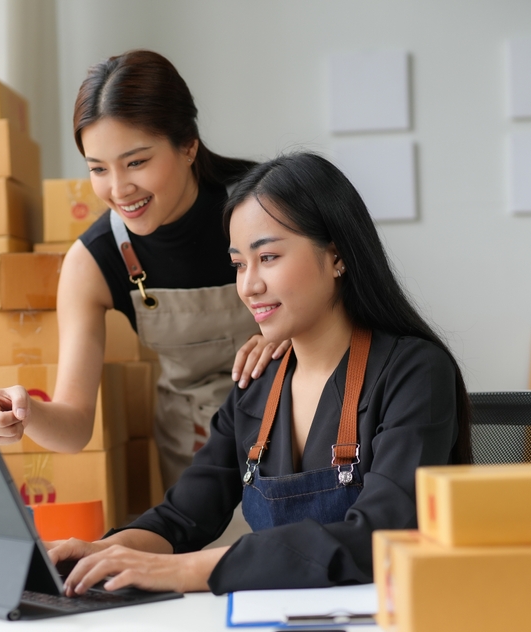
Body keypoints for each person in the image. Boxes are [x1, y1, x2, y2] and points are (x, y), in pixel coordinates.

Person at [46, 152, 472, 595]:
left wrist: (188, 571)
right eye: (238, 264)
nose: (249, 285)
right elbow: (184, 517)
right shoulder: (258, 383)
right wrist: (103, 550)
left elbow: (379, 535)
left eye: (267, 257)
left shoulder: (414, 372)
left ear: (337, 255)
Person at [0, 50, 287, 488]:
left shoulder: (267, 207)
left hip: (296, 427)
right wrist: (25, 411)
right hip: (200, 454)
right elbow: (74, 426)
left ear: (188, 144)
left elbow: (351, 316)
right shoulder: (93, 261)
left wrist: (290, 337)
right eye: (98, 169)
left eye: (136, 162)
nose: (119, 189)